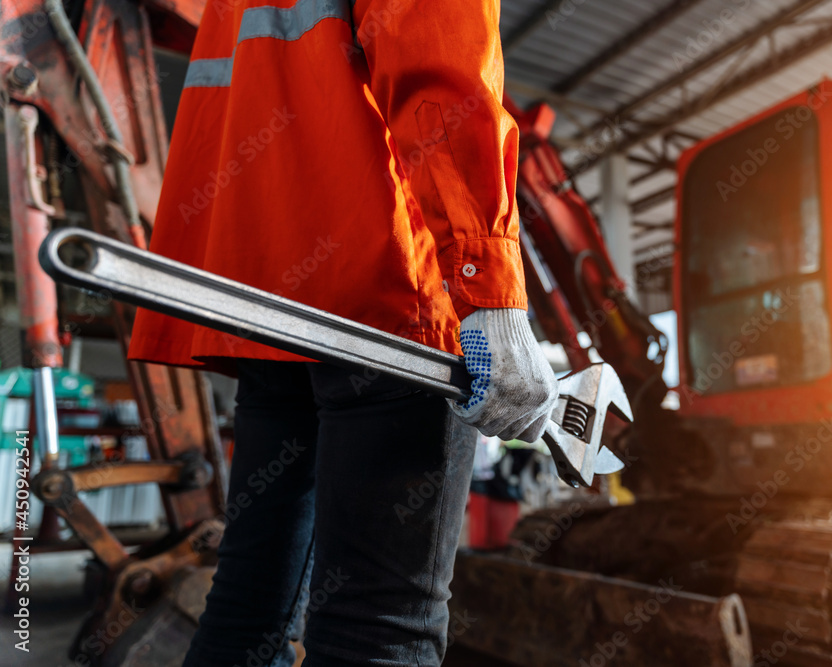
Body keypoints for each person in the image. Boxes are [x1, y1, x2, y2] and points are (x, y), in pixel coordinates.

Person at [128, 0, 558, 664]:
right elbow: (440, 55)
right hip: (390, 305)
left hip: (272, 303)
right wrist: (488, 285)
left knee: (248, 606)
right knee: (382, 624)